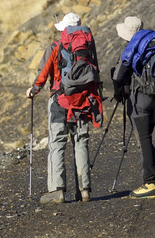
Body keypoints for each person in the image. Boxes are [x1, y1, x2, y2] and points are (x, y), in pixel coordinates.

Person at [26, 12, 93, 203]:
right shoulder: (87, 46)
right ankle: (85, 189)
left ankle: (57, 190)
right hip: (83, 101)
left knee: (57, 143)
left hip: (59, 102)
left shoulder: (55, 47)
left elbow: (43, 73)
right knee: (81, 141)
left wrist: (33, 90)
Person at [111, 16, 155, 199]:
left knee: (143, 140)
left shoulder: (132, 48)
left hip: (141, 100)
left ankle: (149, 183)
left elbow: (118, 77)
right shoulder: (153, 44)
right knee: (146, 138)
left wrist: (119, 93)